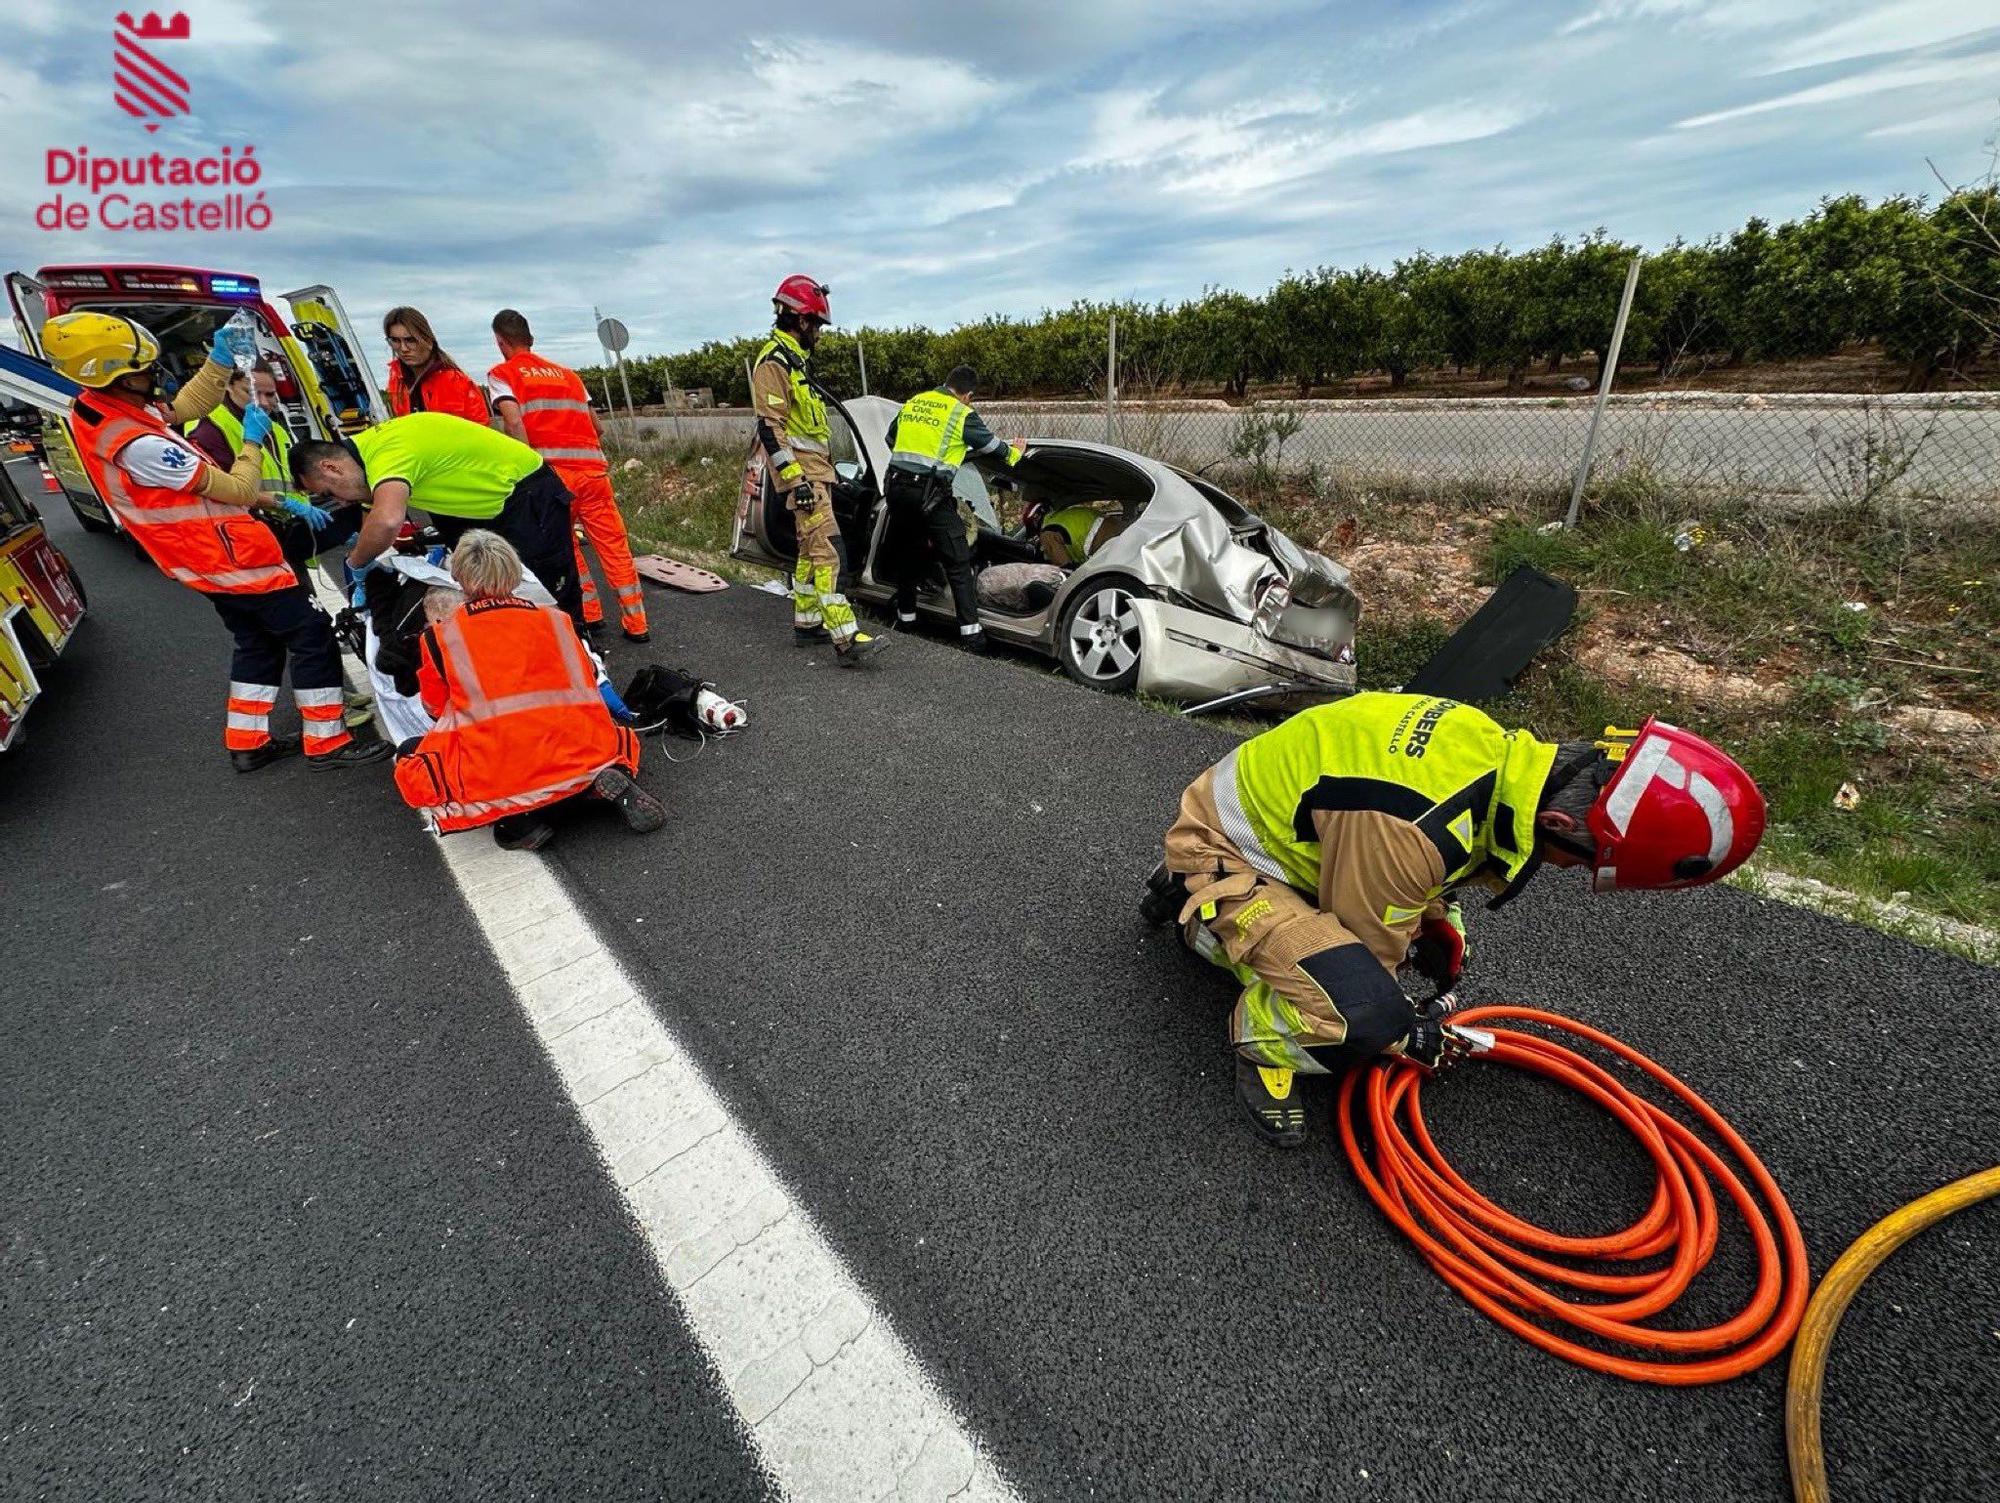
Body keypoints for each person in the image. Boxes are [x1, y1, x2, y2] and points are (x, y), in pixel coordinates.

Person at [1147, 693, 1765, 1148]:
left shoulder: (1491, 750)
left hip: (1302, 837)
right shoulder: (1411, 830)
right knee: (1363, 1016)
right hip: (1227, 849)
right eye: (1582, 862)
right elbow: (1375, 939)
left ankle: (1219, 910)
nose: (1572, 872)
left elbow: (1415, 854)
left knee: (1394, 958)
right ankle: (1237, 991)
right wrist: (1408, 1033)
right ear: (1556, 824)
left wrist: (1437, 916)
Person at [40, 310, 386, 771]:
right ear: (116, 377)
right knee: (309, 634)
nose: (154, 374)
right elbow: (236, 489)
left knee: (257, 644)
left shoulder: (111, 410)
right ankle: (327, 742)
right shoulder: (137, 446)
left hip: (206, 561)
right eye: (142, 369)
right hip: (231, 558)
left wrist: (219, 361)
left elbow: (185, 407)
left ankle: (248, 743)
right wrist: (251, 442)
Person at [392, 530, 664, 851]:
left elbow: (436, 711)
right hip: (583, 748)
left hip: (505, 766)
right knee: (610, 738)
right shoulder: (558, 621)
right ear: (514, 571)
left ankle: (522, 819)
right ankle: (597, 781)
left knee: (412, 753)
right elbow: (588, 681)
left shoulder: (440, 639)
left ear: (460, 578)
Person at [289, 413, 581, 625]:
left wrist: (357, 563)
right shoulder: (370, 454)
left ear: (331, 467)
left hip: (526, 495)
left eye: (329, 492)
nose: (339, 502)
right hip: (486, 505)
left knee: (549, 595)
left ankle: (587, 674)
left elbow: (388, 519)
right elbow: (375, 513)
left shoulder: (388, 454)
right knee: (492, 592)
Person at [487, 308, 648, 642]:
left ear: (500, 341)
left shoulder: (502, 374)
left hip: (553, 481)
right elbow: (598, 427)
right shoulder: (569, 376)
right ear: (530, 338)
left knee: (568, 548)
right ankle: (637, 624)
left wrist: (525, 468)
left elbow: (514, 422)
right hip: (593, 475)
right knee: (614, 547)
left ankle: (590, 616)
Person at [750, 275, 882, 665]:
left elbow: (803, 431)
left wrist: (824, 473)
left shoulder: (794, 362)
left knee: (809, 552)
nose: (820, 334)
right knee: (829, 553)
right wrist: (797, 481)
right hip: (803, 479)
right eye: (818, 325)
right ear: (801, 320)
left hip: (815, 474)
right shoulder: (774, 364)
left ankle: (807, 625)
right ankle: (846, 637)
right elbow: (770, 428)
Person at [882, 365, 1022, 653]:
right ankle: (973, 637)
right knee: (958, 560)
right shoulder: (960, 413)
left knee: (908, 552)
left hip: (895, 488)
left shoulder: (915, 402)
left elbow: (891, 439)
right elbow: (997, 449)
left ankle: (905, 620)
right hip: (929, 495)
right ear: (968, 395)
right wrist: (1016, 451)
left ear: (946, 383)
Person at [382, 306, 491, 426]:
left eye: (410, 340)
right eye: (395, 341)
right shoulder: (397, 381)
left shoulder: (457, 382)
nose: (403, 348)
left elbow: (481, 431)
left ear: (428, 341)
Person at [1035, 501, 1127, 568]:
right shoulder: (1066, 514)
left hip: (1107, 541)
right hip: (1121, 530)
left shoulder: (1047, 533)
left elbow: (1066, 567)